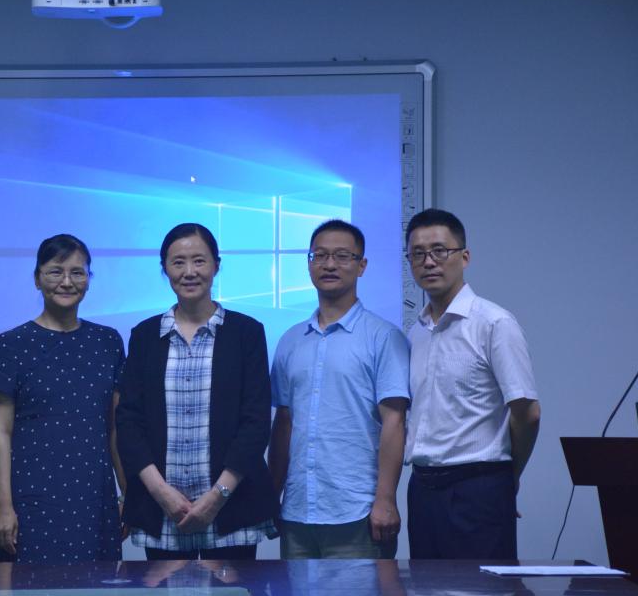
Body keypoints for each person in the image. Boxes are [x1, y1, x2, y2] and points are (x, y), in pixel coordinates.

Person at [116, 223, 277, 560]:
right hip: (162, 514)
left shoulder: (246, 333)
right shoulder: (144, 336)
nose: (189, 272)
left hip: (232, 513)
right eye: (178, 262)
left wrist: (217, 497)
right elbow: (129, 422)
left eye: (199, 261)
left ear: (216, 265)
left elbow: (256, 422)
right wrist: (162, 493)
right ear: (165, 269)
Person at [404, 208, 541, 559]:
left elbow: (527, 413)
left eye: (439, 251)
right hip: (423, 489)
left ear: (464, 257)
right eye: (418, 253)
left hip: (479, 486)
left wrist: (509, 477)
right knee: (425, 590)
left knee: (484, 592)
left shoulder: (494, 323)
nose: (429, 262)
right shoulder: (415, 333)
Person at [269, 219, 410, 559]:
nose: (329, 264)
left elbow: (394, 422)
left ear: (362, 265)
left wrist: (386, 499)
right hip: (298, 511)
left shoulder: (383, 337)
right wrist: (271, 495)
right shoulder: (290, 340)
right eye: (320, 255)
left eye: (342, 256)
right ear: (309, 264)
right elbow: (283, 424)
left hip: (358, 512)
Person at [0, 234, 125, 564]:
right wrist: (3, 506)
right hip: (33, 500)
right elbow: (0, 433)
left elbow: (115, 428)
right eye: (55, 272)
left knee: (99, 590)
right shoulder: (11, 345)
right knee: (30, 593)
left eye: (77, 272)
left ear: (89, 279)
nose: (67, 282)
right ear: (37, 279)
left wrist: (128, 492)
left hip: (95, 496)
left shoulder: (108, 342)